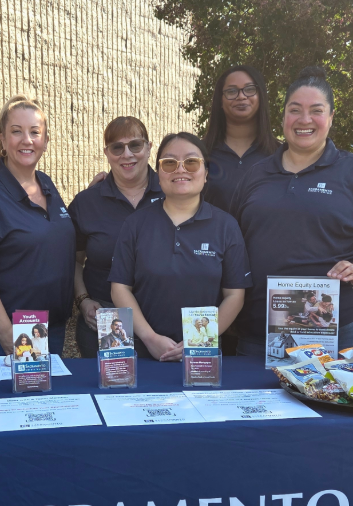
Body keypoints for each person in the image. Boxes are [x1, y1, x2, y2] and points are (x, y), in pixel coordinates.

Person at [228, 67, 353, 358]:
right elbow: (233, 239)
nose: (305, 119)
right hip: (264, 323)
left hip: (341, 319)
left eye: (316, 110)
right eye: (295, 110)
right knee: (264, 401)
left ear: (331, 117)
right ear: (283, 117)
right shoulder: (255, 175)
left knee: (334, 399)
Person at [0, 97, 76, 360]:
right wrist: (6, 333)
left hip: (50, 326)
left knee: (47, 399)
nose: (26, 140)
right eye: (16, 131)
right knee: (21, 401)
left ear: (45, 141)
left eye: (34, 132)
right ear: (3, 140)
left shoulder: (47, 185)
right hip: (14, 331)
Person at [105, 134, 248, 362]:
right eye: (169, 163)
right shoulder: (136, 224)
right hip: (144, 354)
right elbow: (120, 288)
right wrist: (150, 338)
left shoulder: (226, 226)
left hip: (202, 357)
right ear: (159, 174)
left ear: (206, 172)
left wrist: (198, 341)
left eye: (191, 162)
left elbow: (235, 295)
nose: (181, 170)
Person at [71, 116, 162, 358]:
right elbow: (73, 260)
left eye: (135, 145)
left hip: (163, 318)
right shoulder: (87, 202)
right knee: (109, 391)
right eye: (117, 147)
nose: (127, 154)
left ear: (149, 147)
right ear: (107, 153)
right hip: (105, 317)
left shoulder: (172, 193)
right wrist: (83, 300)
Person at [202, 64, 279, 213]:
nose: (241, 96)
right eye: (231, 91)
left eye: (250, 89)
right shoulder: (199, 154)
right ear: (220, 101)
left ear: (261, 96)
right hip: (211, 237)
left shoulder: (281, 155)